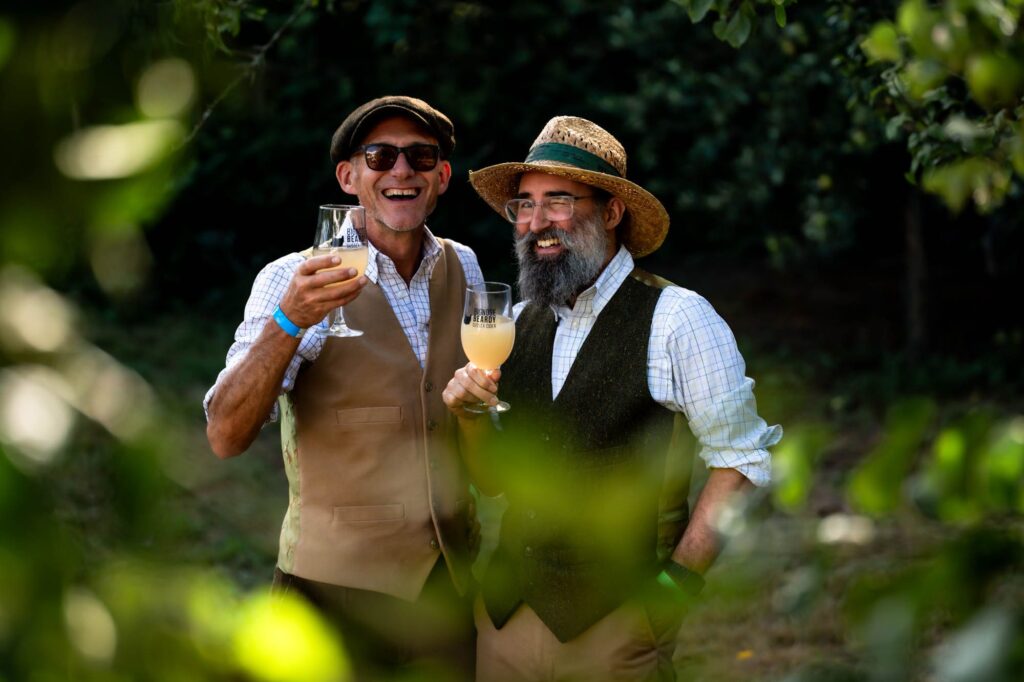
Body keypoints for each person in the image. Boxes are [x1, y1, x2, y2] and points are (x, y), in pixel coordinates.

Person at [442, 116, 782, 681]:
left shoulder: (678, 317)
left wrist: (673, 589)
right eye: (524, 205)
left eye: (558, 200)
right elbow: (497, 481)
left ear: (611, 211)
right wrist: (472, 419)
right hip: (503, 621)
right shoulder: (518, 321)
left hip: (618, 623)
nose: (536, 222)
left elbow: (742, 459)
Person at [205, 96, 483, 681]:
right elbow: (226, 434)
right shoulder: (292, 278)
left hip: (449, 592)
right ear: (349, 176)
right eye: (379, 156)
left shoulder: (467, 267)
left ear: (442, 176)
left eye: (420, 156)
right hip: (333, 596)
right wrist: (288, 320)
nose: (400, 170)